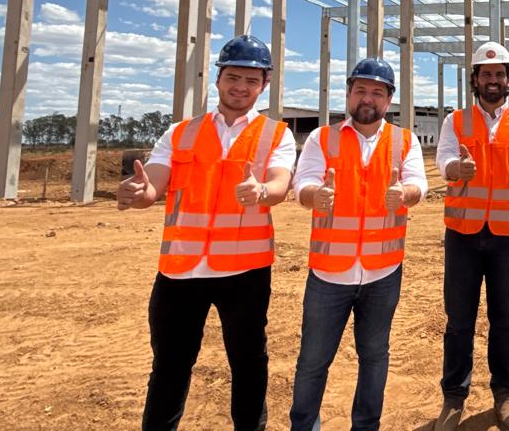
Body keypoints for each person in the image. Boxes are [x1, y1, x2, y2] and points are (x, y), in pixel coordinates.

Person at [117, 34, 295, 431]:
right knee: (170, 365)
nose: (241, 87)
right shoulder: (180, 132)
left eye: (251, 81)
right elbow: (153, 184)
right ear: (218, 79)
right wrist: (141, 192)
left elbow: (280, 182)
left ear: (264, 85)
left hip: (244, 272)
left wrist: (263, 191)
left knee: (248, 363)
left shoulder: (275, 134)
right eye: (233, 77)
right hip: (181, 271)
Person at [288, 58, 428, 431]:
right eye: (361, 90)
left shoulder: (404, 140)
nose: (368, 98)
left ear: (389, 99)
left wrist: (406, 193)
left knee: (374, 356)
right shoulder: (322, 138)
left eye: (377, 92)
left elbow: (418, 183)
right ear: (349, 93)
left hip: (383, 271)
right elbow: (303, 183)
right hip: (329, 273)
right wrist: (314, 195)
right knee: (313, 361)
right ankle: (304, 425)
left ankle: (366, 426)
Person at [433, 41, 509, 431]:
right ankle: (454, 397)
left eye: (500, 74)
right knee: (459, 320)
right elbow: (443, 158)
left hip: (507, 236)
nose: (493, 80)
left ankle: (504, 392)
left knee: (505, 319)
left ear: (508, 80)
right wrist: (455, 169)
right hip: (463, 234)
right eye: (486, 74)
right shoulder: (456, 120)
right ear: (476, 80)